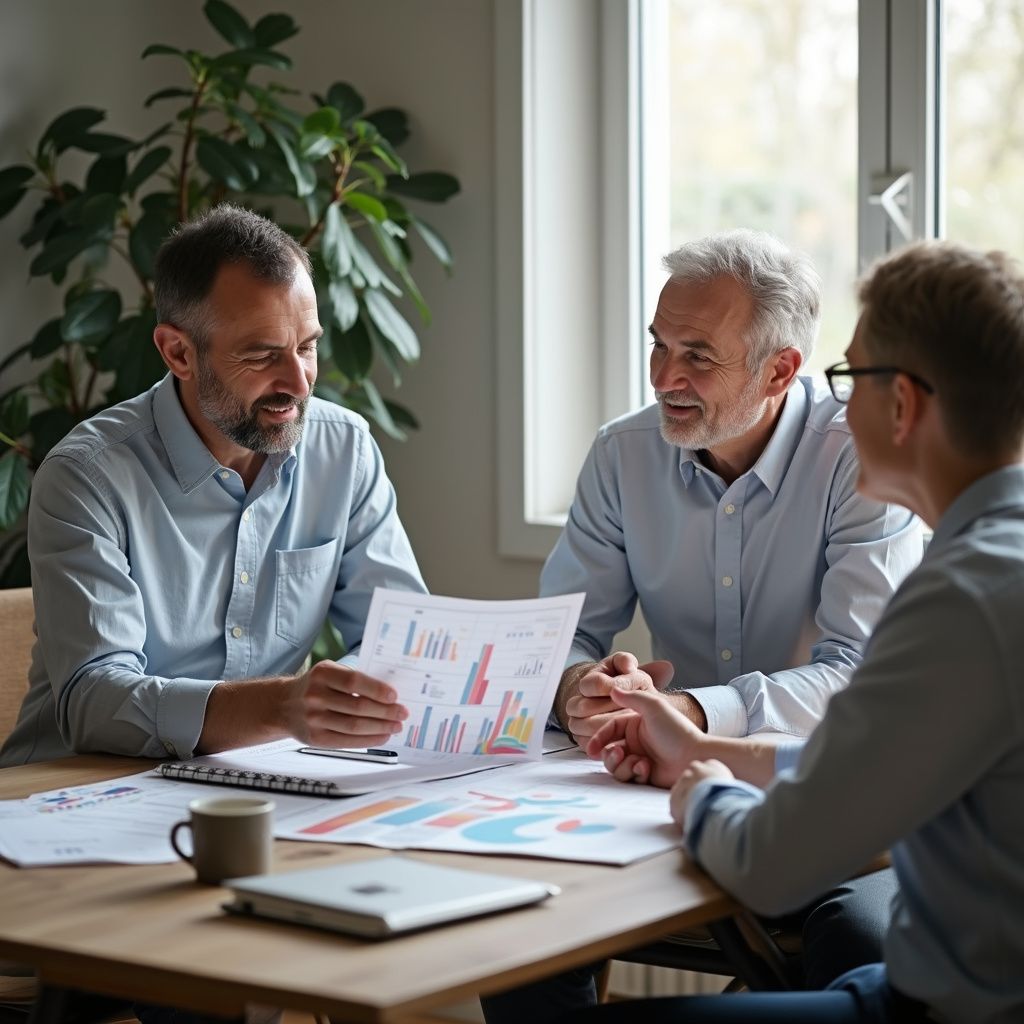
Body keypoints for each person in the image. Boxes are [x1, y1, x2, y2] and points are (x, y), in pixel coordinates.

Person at [575, 239, 1024, 1022]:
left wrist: (705, 788)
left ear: (904, 405)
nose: (835, 407)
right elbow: (873, 755)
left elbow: (771, 864)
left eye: (848, 379)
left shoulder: (957, 598)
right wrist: (707, 744)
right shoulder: (994, 561)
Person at [0, 204, 425, 769]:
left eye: (306, 346)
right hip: (71, 791)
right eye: (261, 354)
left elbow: (403, 640)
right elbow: (93, 702)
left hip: (256, 780)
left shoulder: (343, 449)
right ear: (178, 352)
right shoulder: (88, 477)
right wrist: (280, 705)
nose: (298, 383)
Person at [543, 229, 921, 749]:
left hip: (823, 767)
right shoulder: (621, 453)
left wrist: (693, 711)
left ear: (778, 372)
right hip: (664, 763)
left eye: (698, 357)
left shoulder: (862, 455)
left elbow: (861, 670)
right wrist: (579, 692)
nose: (662, 377)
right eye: (659, 344)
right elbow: (558, 636)